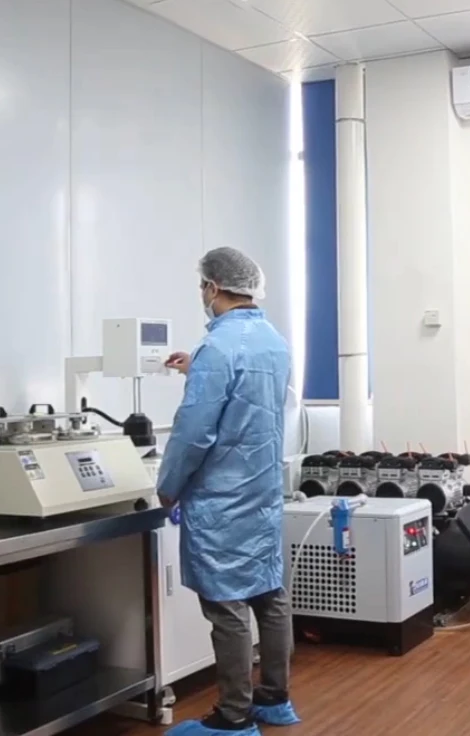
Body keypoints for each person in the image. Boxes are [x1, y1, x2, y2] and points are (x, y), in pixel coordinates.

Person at [158, 247, 299, 736]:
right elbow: (247, 393)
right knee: (268, 592)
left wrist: (168, 486)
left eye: (202, 286)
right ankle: (275, 699)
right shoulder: (273, 341)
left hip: (222, 497)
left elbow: (193, 433)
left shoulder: (217, 348)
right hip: (261, 490)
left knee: (227, 603)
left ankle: (233, 718)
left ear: (213, 287)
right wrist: (195, 367)